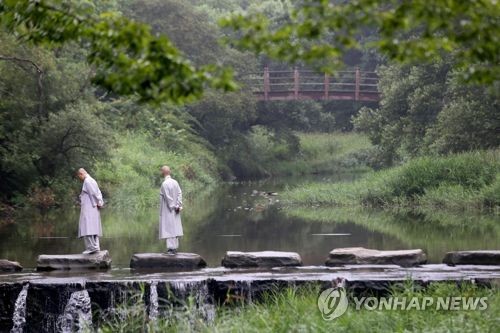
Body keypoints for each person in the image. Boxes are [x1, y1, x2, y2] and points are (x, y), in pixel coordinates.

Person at [76, 168, 103, 254]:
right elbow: (98, 192)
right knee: (93, 227)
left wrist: (98, 203)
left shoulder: (87, 181)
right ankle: (96, 247)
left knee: (88, 227)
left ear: (81, 174)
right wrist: (100, 202)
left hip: (89, 207)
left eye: (79, 176)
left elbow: (93, 193)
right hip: (92, 207)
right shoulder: (92, 180)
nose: (80, 178)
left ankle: (92, 248)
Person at [159, 165, 183, 255]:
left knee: (169, 228)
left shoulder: (164, 184)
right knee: (175, 227)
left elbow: (168, 198)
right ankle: (175, 247)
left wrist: (173, 207)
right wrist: (178, 205)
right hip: (175, 209)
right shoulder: (175, 182)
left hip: (168, 210)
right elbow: (180, 193)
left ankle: (170, 249)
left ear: (163, 172)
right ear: (169, 172)